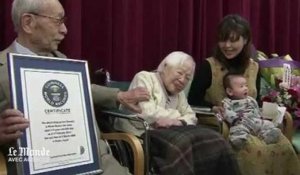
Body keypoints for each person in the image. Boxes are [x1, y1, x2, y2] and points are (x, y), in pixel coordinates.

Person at [0, 0, 150, 174]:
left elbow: (84, 89)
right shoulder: (2, 66)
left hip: (97, 162)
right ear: (28, 22)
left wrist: (119, 96)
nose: (65, 30)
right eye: (58, 21)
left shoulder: (62, 60)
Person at [188, 14, 300, 175]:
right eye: (223, 40)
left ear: (245, 40)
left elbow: (257, 101)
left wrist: (275, 113)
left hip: (254, 122)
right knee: (255, 150)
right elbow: (192, 101)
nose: (227, 45)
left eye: (233, 40)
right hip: (224, 126)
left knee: (283, 146)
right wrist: (213, 108)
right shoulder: (208, 66)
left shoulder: (254, 67)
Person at [115, 51, 241, 175]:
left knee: (215, 139)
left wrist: (179, 121)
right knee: (182, 144)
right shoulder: (145, 77)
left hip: (167, 135)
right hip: (141, 134)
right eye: (179, 73)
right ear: (164, 67)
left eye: (187, 78)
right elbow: (146, 111)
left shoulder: (179, 93)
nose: (182, 80)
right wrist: (177, 116)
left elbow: (191, 116)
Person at [222, 73, 281, 149]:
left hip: (255, 121)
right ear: (230, 91)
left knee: (268, 124)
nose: (246, 88)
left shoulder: (251, 99)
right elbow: (226, 112)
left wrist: (262, 115)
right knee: (237, 130)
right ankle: (238, 140)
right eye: (241, 86)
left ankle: (268, 136)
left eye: (246, 85)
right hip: (241, 122)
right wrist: (235, 118)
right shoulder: (227, 102)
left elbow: (256, 108)